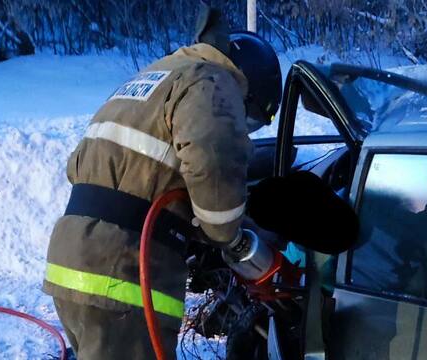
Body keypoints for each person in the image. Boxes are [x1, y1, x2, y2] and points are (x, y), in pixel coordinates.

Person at [41, 3, 282, 359]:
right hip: (122, 270)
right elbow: (213, 159)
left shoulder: (157, 76)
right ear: (248, 88)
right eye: (248, 121)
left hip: (73, 257)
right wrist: (231, 238)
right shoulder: (214, 81)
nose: (244, 128)